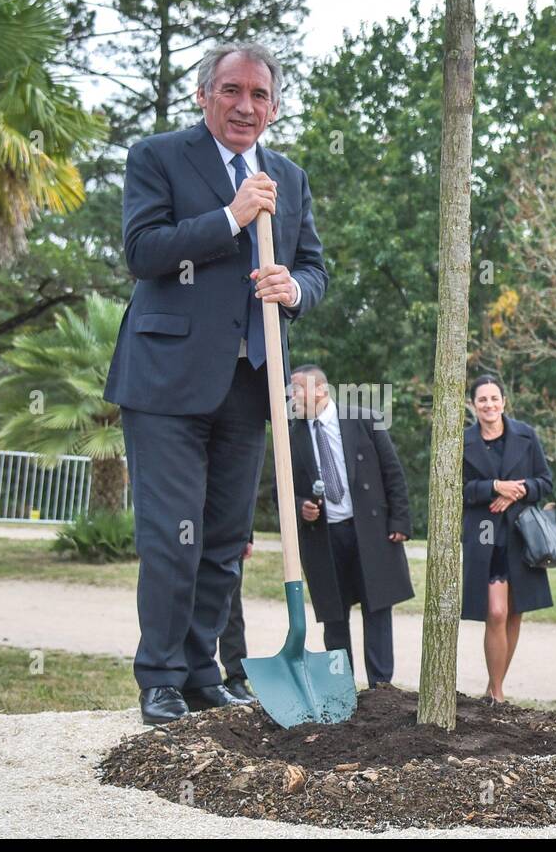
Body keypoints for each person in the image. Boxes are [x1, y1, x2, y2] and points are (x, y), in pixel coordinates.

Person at [103, 41, 327, 725]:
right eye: (231, 91)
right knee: (175, 537)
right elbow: (142, 252)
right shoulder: (158, 156)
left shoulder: (288, 176)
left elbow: (316, 269)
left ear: (275, 107)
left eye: (259, 95)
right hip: (166, 383)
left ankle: (206, 673)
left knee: (226, 541)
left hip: (248, 382)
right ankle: (161, 677)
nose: (245, 106)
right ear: (204, 96)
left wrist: (294, 289)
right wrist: (231, 217)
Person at [290, 364, 414, 688]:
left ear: (320, 390)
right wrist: (301, 505)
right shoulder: (293, 434)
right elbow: (284, 490)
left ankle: (381, 688)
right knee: (333, 615)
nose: (293, 396)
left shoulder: (364, 419)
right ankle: (340, 688)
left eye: (298, 389)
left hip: (369, 531)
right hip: (325, 536)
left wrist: (400, 520)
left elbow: (393, 472)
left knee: (377, 608)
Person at [462, 375, 554, 704]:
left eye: (494, 398)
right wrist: (494, 487)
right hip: (484, 537)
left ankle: (493, 686)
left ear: (504, 401)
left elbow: (545, 482)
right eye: (482, 399)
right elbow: (456, 489)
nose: (489, 404)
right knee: (496, 613)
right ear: (473, 405)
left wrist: (519, 491)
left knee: (515, 612)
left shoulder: (526, 435)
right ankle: (498, 693)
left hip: (520, 535)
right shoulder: (463, 441)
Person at [217, 537, 254, 701]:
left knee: (231, 605)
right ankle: (189, 678)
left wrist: (246, 534)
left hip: (230, 526)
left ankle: (236, 678)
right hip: (190, 525)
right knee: (188, 600)